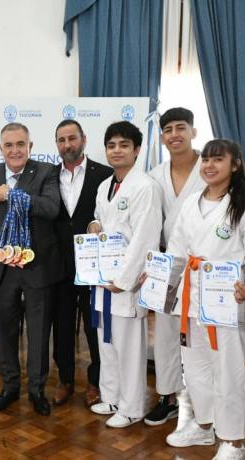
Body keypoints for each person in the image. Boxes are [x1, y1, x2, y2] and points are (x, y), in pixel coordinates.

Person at [161, 139, 245, 459]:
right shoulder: (192, 202)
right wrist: (159, 281)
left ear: (235, 165)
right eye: (205, 159)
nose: (209, 165)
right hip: (191, 296)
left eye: (217, 160)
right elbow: (177, 251)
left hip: (228, 299)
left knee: (228, 370)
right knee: (193, 367)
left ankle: (233, 441)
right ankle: (205, 426)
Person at [0, 122, 62, 416]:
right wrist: (3, 248)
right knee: (5, 332)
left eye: (20, 144)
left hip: (37, 268)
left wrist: (13, 196)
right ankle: (10, 387)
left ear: (30, 147)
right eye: (9, 145)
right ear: (0, 149)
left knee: (38, 335)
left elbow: (51, 208)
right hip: (2, 268)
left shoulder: (47, 173)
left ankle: (37, 390)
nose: (15, 150)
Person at [86, 121, 162, 428]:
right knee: (107, 342)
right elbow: (99, 219)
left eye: (124, 145)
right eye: (111, 145)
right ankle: (112, 396)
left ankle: (131, 407)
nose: (117, 151)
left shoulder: (145, 187)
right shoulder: (106, 185)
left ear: (137, 150)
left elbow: (145, 237)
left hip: (126, 283)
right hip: (103, 278)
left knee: (129, 347)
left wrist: (124, 280)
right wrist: (93, 226)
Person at [146, 107, 206, 427]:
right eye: (167, 129)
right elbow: (150, 222)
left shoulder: (210, 168)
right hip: (167, 262)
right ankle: (168, 395)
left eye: (181, 128)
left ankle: (203, 399)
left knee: (200, 335)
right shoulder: (155, 175)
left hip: (204, 266)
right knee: (167, 332)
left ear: (193, 132)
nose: (174, 135)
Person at [51, 119, 112, 407]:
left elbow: (109, 217)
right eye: (61, 140)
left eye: (72, 138)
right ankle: (64, 379)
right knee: (61, 327)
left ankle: (96, 381)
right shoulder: (48, 176)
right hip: (59, 266)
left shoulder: (106, 174)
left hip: (93, 268)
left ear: (84, 139)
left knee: (93, 327)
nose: (67, 145)